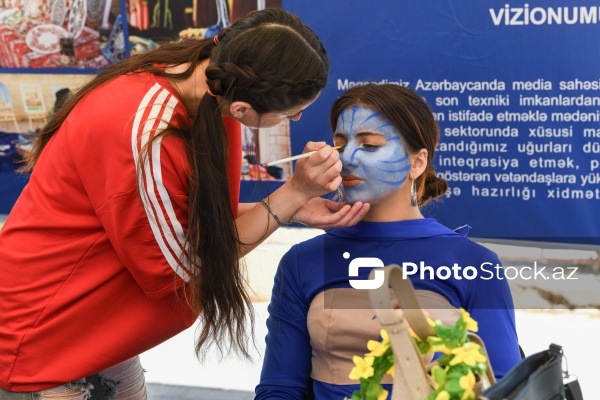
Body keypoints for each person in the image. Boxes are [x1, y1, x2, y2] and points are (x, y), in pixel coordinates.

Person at [0, 9, 370, 399]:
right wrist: (291, 194)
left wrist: (289, 209)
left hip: (92, 335)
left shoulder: (213, 84)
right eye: (292, 113)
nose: (295, 119)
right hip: (44, 338)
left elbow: (182, 221)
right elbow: (186, 266)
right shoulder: (147, 135)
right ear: (244, 109)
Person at [255, 84, 521, 399]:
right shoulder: (302, 262)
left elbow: (505, 387)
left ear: (417, 162)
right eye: (340, 145)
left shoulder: (473, 263)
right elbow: (280, 388)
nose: (348, 158)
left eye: (369, 145)